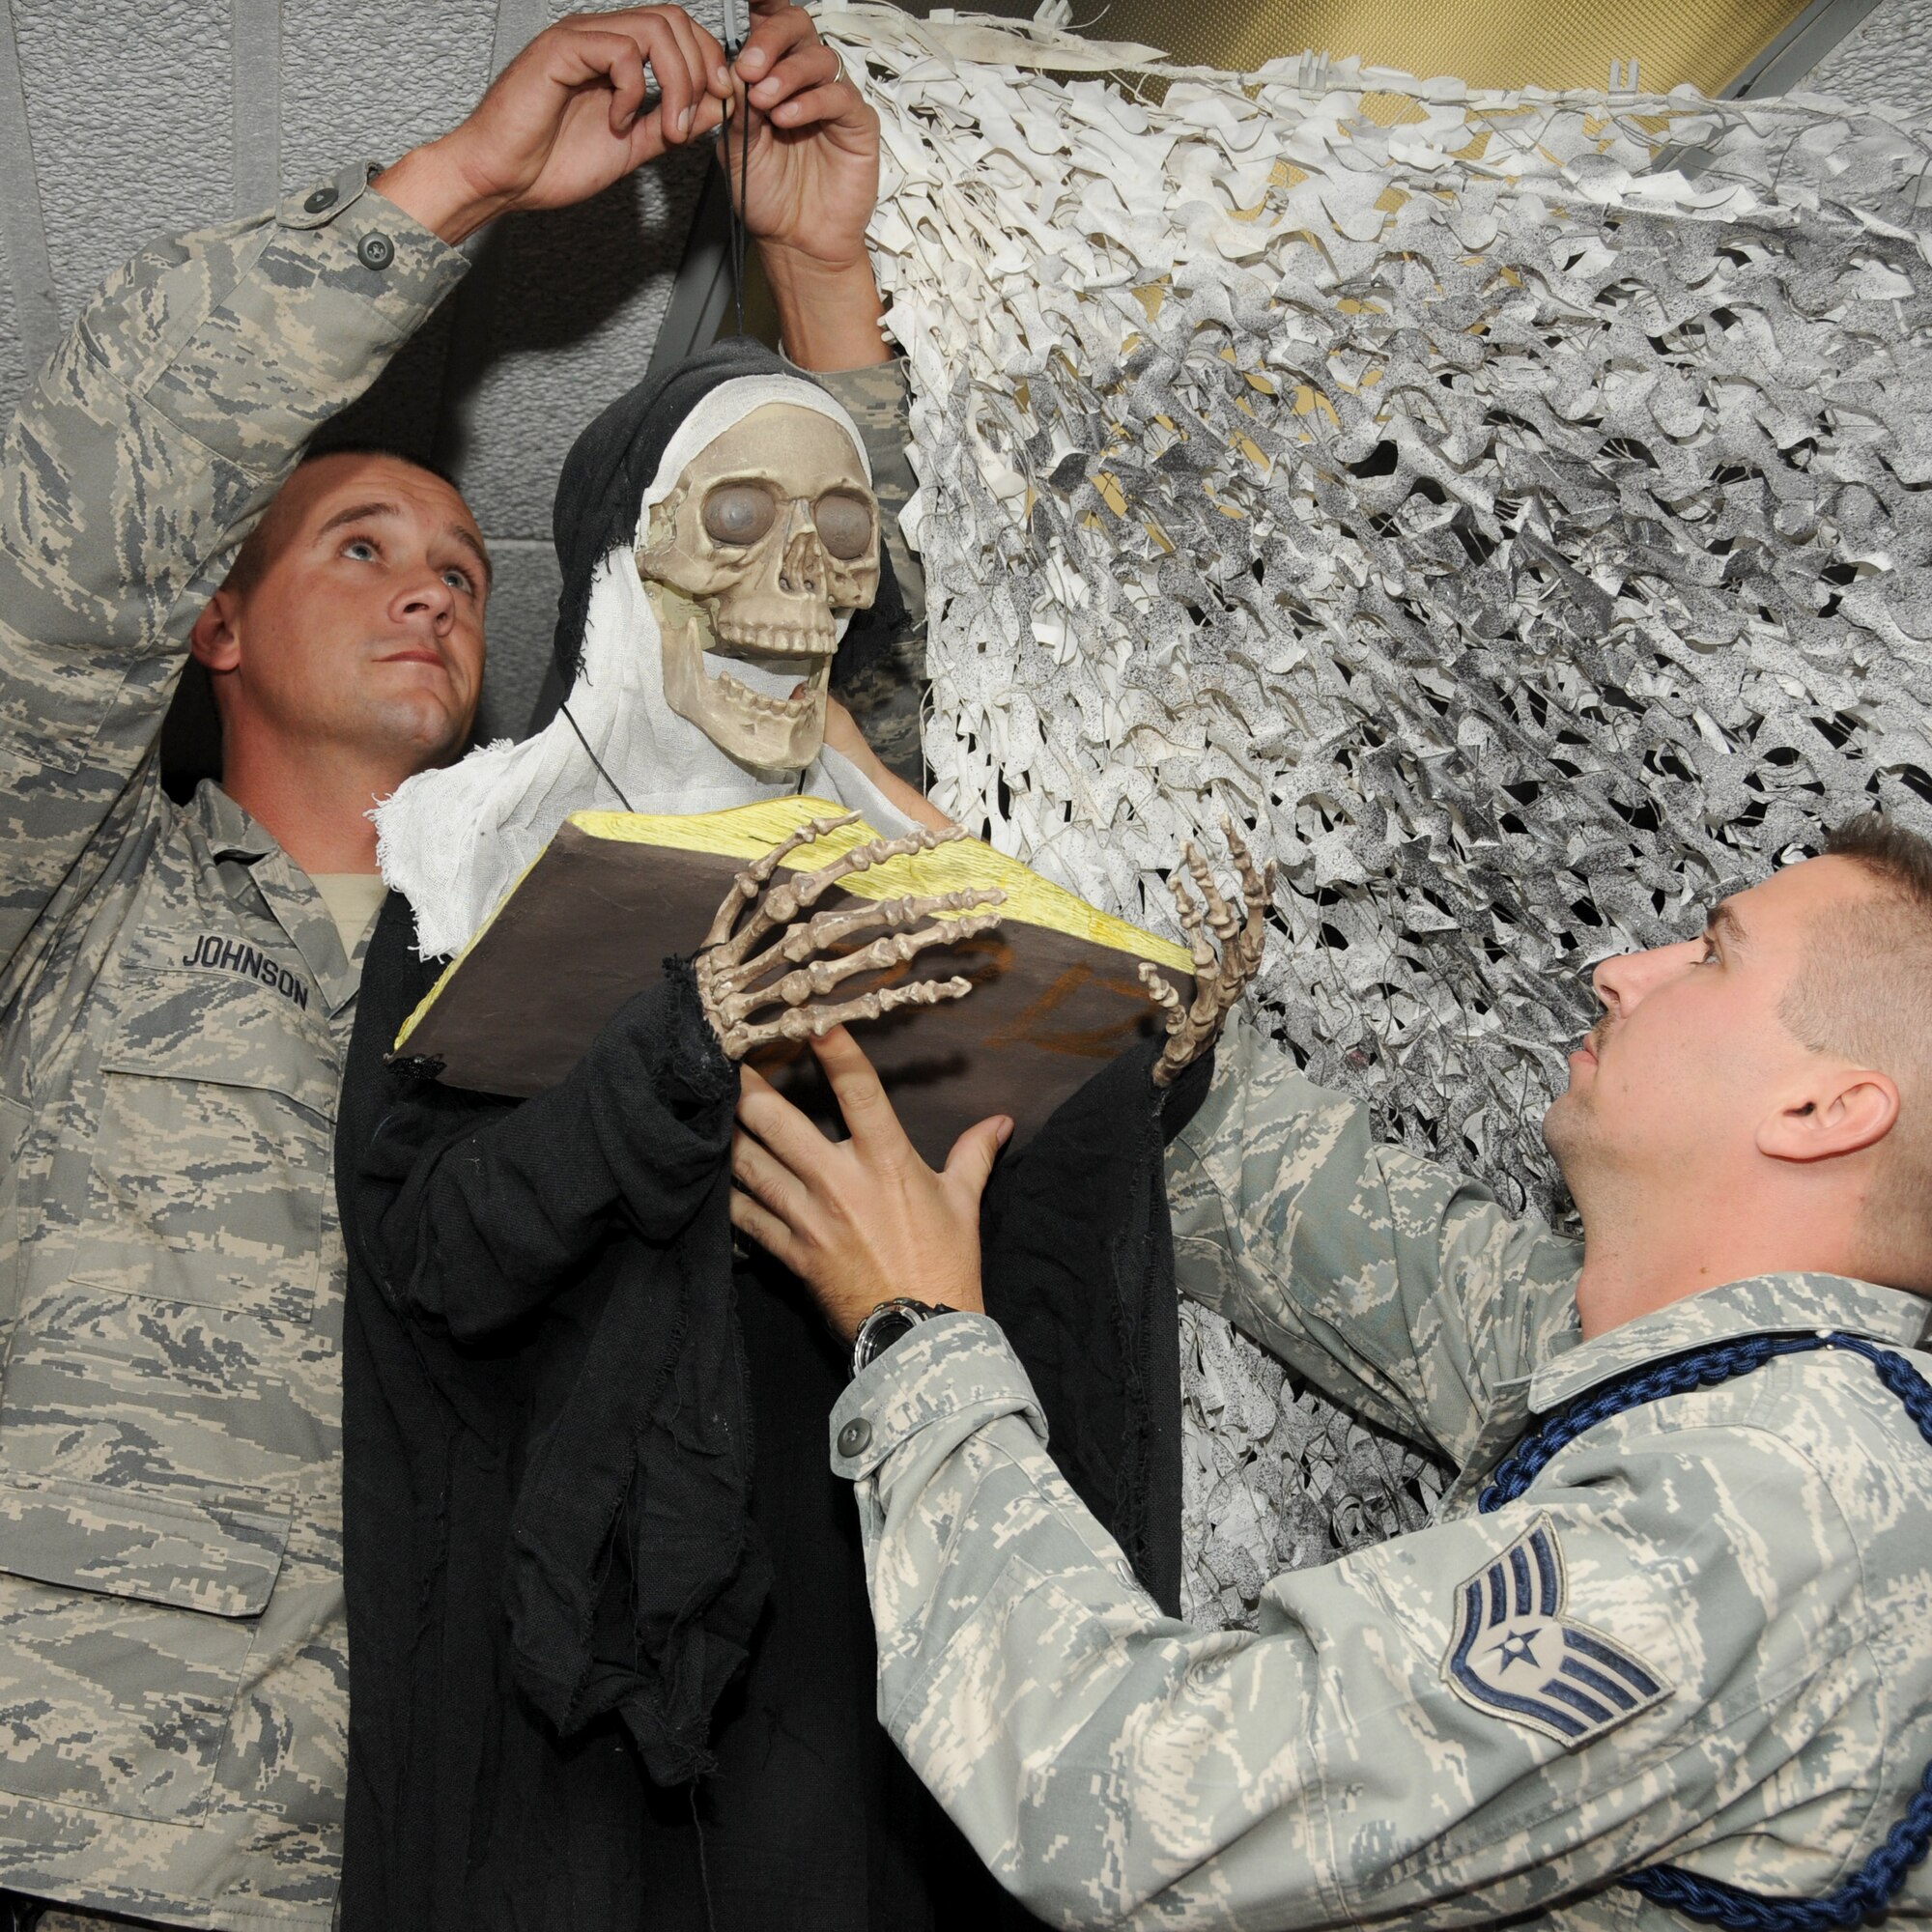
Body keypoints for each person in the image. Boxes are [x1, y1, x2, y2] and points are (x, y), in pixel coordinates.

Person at [0, 8, 907, 1927]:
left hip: (480, 1839)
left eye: (461, 562)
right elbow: (75, 521)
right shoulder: (79, 918)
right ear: (216, 629)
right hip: (105, 1835)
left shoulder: (567, 947)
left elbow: (834, 767)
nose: (436, 575)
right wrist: (463, 186)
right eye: (358, 544)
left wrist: (826, 290)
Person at [729, 816, 1932, 1924]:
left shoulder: (1771, 1509)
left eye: (1712, 954)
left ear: (1824, 1106)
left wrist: (911, 1332)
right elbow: (1311, 1209)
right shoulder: (1707, 1374)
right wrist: (986, 909)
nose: (1625, 968)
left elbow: (1127, 1800)